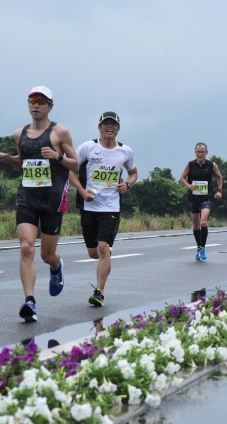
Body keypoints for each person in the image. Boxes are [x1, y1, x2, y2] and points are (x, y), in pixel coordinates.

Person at [0, 86, 78, 322]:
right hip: (27, 195)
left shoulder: (60, 133)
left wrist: (57, 157)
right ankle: (30, 301)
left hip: (53, 199)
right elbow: (22, 160)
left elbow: (76, 165)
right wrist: (6, 158)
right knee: (27, 247)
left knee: (47, 256)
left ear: (50, 106)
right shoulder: (20, 134)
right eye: (32, 100)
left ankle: (57, 266)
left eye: (41, 101)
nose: (36, 105)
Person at [69, 111, 137, 307]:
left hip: (111, 206)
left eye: (113, 125)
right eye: (106, 124)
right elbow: (70, 170)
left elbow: (133, 173)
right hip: (89, 205)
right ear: (99, 127)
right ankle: (105, 254)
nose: (110, 127)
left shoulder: (125, 151)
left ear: (118, 129)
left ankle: (99, 291)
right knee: (93, 252)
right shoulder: (87, 147)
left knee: (102, 247)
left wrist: (128, 185)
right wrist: (82, 191)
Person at [180, 143, 223, 261]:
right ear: (195, 153)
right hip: (194, 198)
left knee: (203, 222)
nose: (200, 154)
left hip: (206, 198)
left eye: (202, 152)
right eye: (198, 152)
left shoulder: (211, 165)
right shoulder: (190, 165)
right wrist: (189, 186)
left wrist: (219, 191)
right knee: (196, 225)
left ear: (206, 153)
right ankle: (198, 247)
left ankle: (203, 248)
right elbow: (182, 177)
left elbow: (220, 177)